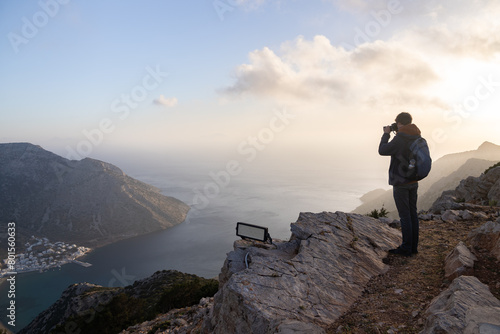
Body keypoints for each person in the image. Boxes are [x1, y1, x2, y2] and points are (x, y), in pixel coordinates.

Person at [378, 112, 421, 257]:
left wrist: (386, 134)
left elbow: (382, 150)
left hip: (401, 182)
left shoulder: (400, 139)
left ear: (400, 123)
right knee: (412, 214)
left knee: (405, 216)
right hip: (413, 181)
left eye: (397, 123)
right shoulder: (416, 136)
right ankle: (413, 247)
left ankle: (406, 248)